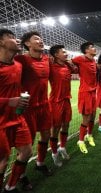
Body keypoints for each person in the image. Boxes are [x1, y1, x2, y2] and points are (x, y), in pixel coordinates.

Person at [16, 31, 53, 178]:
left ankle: (40, 163)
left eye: (41, 38)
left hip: (44, 105)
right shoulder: (21, 59)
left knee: (46, 135)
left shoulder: (46, 59)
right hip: (27, 108)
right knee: (27, 144)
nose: (41, 41)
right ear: (27, 43)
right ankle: (21, 176)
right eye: (36, 39)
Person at [0, 29, 32, 193]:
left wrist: (20, 101)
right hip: (0, 122)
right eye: (11, 37)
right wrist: (9, 102)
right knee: (3, 161)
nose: (16, 39)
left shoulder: (18, 65)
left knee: (26, 151)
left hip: (17, 118)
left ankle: (10, 186)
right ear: (1, 42)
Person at [48, 45, 78, 166]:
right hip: (56, 101)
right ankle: (54, 153)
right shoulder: (50, 66)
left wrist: (70, 63)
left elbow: (76, 70)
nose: (66, 54)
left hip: (66, 100)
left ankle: (63, 148)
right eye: (63, 52)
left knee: (66, 125)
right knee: (55, 128)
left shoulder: (67, 66)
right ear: (56, 55)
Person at [72, 42, 97, 154]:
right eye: (92, 47)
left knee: (93, 115)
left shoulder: (93, 60)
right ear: (86, 50)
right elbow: (69, 62)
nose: (94, 48)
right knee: (86, 119)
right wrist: (74, 69)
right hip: (85, 92)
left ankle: (89, 135)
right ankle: (80, 141)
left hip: (93, 92)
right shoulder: (80, 59)